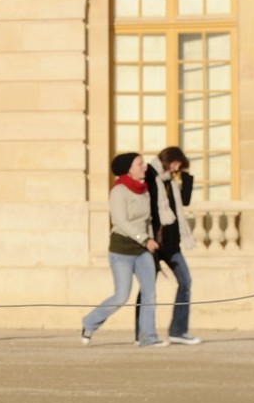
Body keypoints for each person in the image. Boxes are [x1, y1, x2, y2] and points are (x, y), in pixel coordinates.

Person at [82, 152, 163, 347]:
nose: (144, 166)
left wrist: (151, 240)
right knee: (121, 296)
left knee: (149, 293)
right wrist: (145, 239)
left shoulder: (144, 189)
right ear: (129, 169)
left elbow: (147, 220)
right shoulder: (118, 191)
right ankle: (89, 322)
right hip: (122, 250)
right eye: (139, 163)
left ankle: (147, 337)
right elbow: (120, 221)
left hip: (143, 250)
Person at [134, 146, 199, 345]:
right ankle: (141, 334)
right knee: (147, 287)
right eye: (175, 163)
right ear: (167, 159)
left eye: (179, 165)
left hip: (171, 244)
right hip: (153, 242)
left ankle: (178, 330)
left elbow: (185, 202)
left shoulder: (171, 181)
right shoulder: (151, 176)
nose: (176, 168)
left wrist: (185, 176)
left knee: (185, 282)